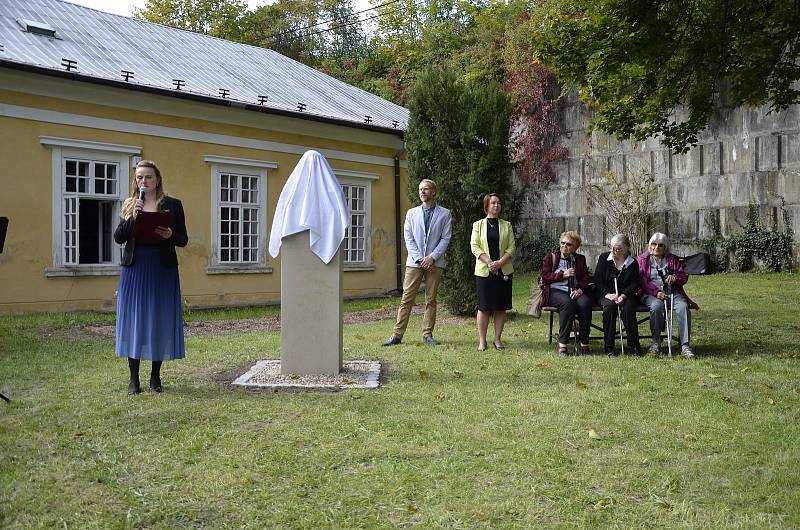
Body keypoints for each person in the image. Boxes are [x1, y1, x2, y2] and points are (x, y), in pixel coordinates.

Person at [114, 160, 188, 395]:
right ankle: (133, 380)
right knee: (135, 319)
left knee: (159, 318)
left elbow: (183, 239)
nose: (143, 181)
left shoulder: (173, 205)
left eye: (148, 177)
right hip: (135, 268)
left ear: (157, 179)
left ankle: (155, 377)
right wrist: (133, 218)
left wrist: (169, 234)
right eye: (139, 177)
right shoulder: (130, 204)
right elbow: (118, 237)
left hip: (162, 267)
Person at [383, 179, 452, 346]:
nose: (422, 192)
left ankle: (427, 334)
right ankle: (397, 335)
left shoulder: (444, 214)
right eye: (421, 189)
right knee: (407, 298)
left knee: (431, 299)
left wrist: (432, 258)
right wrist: (420, 258)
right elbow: (409, 238)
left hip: (434, 263)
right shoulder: (411, 213)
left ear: (433, 192)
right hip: (415, 262)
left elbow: (446, 238)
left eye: (426, 189)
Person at [637, 232, 699, 358]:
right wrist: (656, 292)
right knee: (656, 307)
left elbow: (683, 276)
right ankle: (656, 342)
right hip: (650, 293)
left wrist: (675, 277)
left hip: (672, 292)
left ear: (665, 247)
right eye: (653, 244)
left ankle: (685, 346)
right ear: (650, 245)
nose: (656, 248)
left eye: (660, 245)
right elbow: (642, 281)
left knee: (683, 307)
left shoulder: (672, 259)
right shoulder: (642, 260)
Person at [470, 193, 516, 351]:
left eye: (499, 203)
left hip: (504, 271)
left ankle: (497, 339)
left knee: (500, 306)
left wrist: (500, 262)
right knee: (484, 307)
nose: (497, 206)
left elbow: (512, 247)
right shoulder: (478, 225)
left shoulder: (507, 225)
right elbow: (474, 246)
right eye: (493, 203)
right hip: (484, 271)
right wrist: (489, 262)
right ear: (487, 206)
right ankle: (482, 340)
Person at [541, 230, 592, 355]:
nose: (564, 246)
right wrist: (562, 275)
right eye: (563, 243)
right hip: (555, 291)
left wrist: (580, 290)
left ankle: (584, 343)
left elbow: (586, 277)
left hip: (574, 290)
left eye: (569, 244)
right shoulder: (551, 257)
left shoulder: (580, 259)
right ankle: (563, 344)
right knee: (567, 304)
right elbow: (545, 276)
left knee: (585, 304)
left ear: (575, 247)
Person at [594, 234, 644, 356]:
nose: (613, 251)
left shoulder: (632, 263)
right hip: (605, 294)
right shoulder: (604, 258)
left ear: (626, 248)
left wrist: (624, 296)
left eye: (618, 248)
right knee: (610, 307)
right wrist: (607, 294)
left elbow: (634, 284)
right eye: (611, 247)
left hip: (626, 294)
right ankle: (609, 346)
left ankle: (634, 344)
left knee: (628, 308)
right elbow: (598, 280)